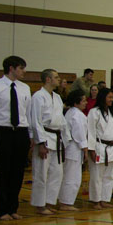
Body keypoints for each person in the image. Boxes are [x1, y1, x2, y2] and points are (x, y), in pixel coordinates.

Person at [0, 56, 31, 221]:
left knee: (18, 172)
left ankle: (13, 208)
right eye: (21, 68)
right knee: (3, 173)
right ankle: (2, 210)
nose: (24, 71)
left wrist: (30, 136)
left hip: (21, 131)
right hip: (3, 132)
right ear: (11, 68)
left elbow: (27, 113)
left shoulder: (25, 88)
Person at [29, 69, 64, 215]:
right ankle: (40, 205)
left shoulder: (57, 97)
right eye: (56, 77)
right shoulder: (38, 96)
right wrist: (41, 143)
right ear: (48, 79)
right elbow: (35, 121)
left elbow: (61, 120)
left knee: (57, 173)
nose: (59, 79)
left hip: (56, 137)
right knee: (41, 173)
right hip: (44, 136)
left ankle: (49, 202)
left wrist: (65, 140)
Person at [85, 87, 113, 209]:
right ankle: (96, 200)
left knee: (109, 176)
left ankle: (105, 199)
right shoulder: (94, 112)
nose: (112, 100)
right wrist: (91, 149)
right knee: (97, 176)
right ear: (103, 98)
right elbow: (90, 131)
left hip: (111, 148)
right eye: (109, 97)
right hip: (99, 146)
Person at [60, 90, 88, 210]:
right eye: (83, 101)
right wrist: (85, 149)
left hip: (71, 148)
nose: (86, 103)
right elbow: (79, 134)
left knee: (69, 176)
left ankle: (65, 201)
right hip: (74, 148)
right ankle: (66, 203)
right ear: (76, 102)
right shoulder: (77, 115)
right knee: (72, 177)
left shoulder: (71, 112)